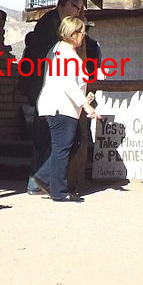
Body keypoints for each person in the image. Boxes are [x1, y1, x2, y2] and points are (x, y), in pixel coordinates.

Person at [21, 0, 84, 192]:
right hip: (43, 90)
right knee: (45, 138)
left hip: (50, 91)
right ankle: (38, 181)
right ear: (67, 5)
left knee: (57, 140)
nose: (78, 13)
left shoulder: (57, 25)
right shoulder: (49, 25)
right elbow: (42, 63)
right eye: (77, 8)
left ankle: (42, 181)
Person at [31, 16, 99, 201]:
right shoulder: (67, 56)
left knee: (73, 142)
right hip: (61, 108)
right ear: (73, 33)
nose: (84, 36)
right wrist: (86, 106)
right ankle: (58, 191)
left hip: (56, 106)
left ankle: (43, 178)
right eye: (82, 32)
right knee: (63, 148)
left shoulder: (57, 51)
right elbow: (68, 84)